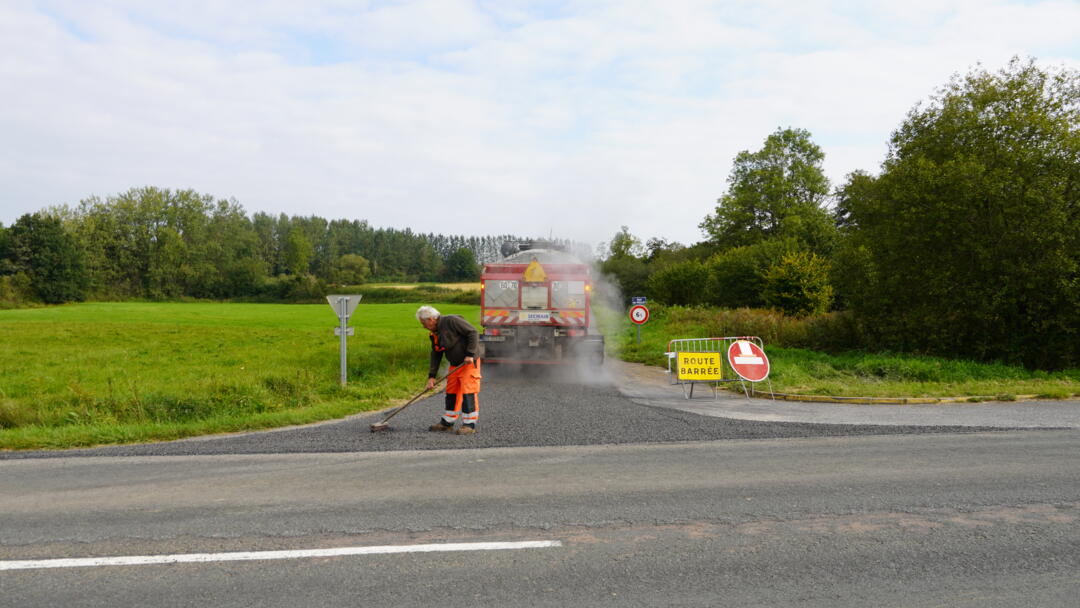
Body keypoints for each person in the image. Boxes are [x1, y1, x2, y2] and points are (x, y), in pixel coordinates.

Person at [416, 305, 481, 435]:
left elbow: (473, 332)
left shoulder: (451, 321)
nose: (423, 326)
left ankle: (469, 424)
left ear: (431, 319)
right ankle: (447, 422)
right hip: (454, 365)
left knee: (468, 392)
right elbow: (436, 353)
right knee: (451, 392)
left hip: (468, 363)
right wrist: (431, 376)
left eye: (424, 323)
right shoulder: (435, 333)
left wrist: (470, 354)